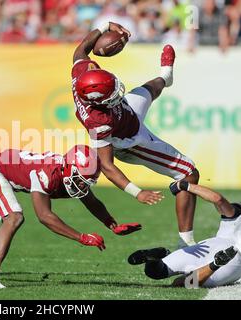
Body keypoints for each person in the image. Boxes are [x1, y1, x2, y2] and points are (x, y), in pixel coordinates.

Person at [0, 145, 142, 288]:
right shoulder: (47, 174)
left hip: (7, 174)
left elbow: (91, 201)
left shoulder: (70, 173)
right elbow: (44, 216)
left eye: (86, 181)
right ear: (67, 168)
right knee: (14, 217)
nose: (82, 185)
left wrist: (113, 225)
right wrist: (81, 237)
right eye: (80, 178)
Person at [71, 21, 200, 248]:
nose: (116, 91)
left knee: (153, 87)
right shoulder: (98, 122)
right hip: (130, 140)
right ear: (99, 102)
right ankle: (187, 242)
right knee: (189, 173)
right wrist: (136, 192)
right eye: (111, 93)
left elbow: (81, 49)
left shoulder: (82, 74)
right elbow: (107, 165)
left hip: (125, 112)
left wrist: (105, 26)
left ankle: (166, 76)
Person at [128, 182, 241, 288]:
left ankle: (155, 257)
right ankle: (215, 264)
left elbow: (217, 199)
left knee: (156, 272)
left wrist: (184, 185)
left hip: (213, 245)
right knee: (184, 283)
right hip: (236, 264)